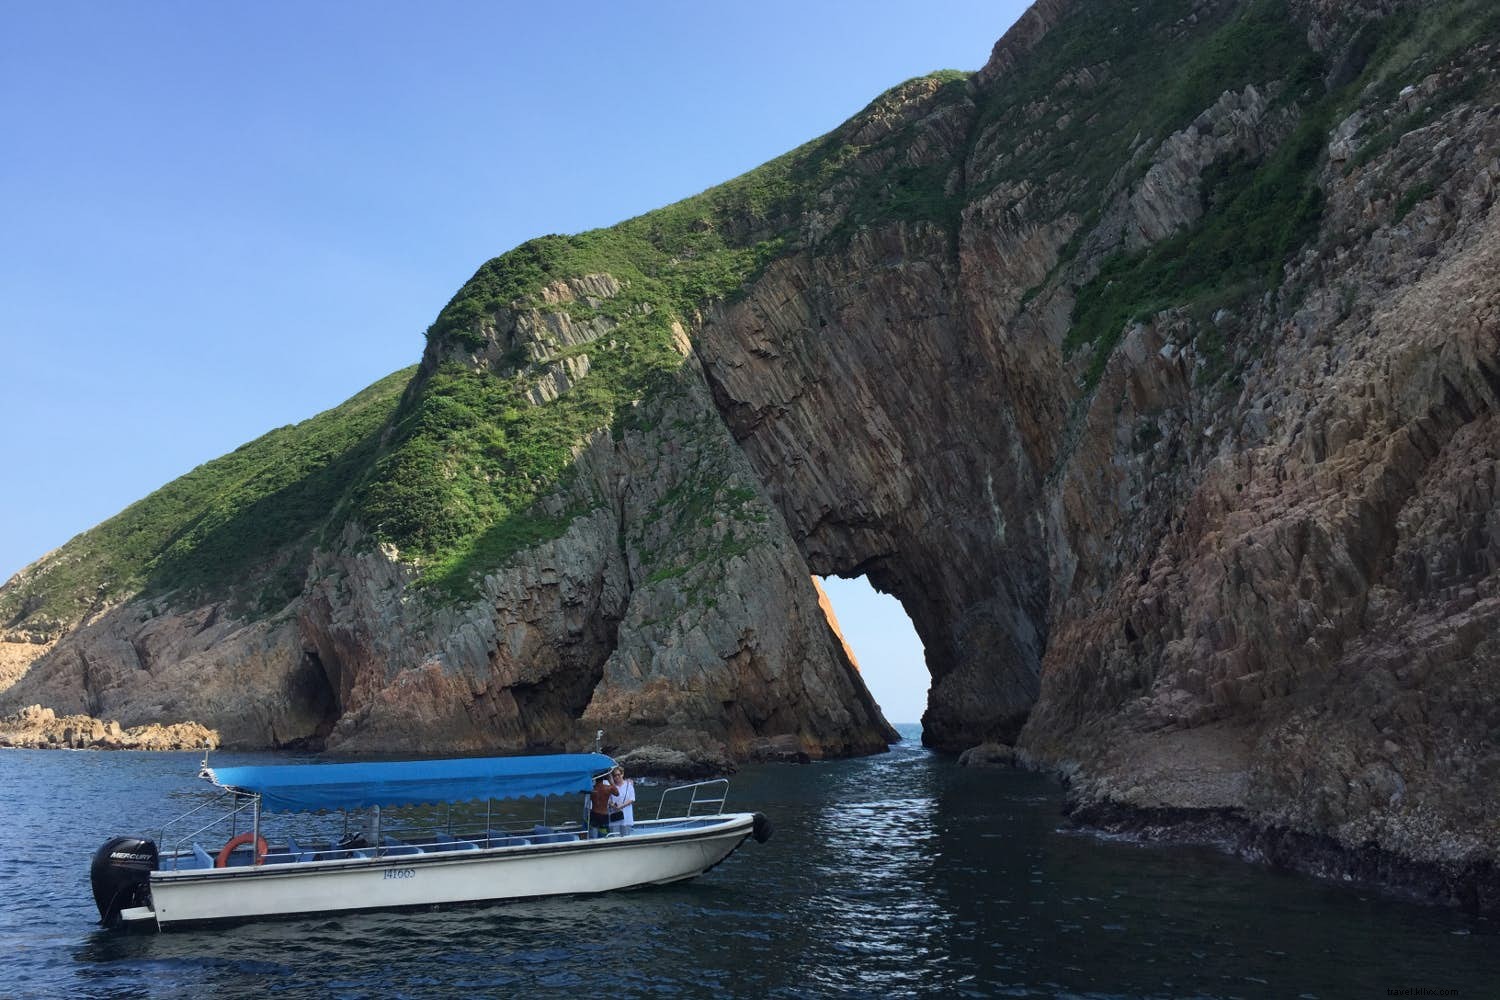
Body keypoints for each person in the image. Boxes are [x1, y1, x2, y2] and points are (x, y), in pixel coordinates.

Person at [608, 765, 635, 837]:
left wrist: (621, 806)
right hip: (614, 815)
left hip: (626, 816)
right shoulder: (611, 787)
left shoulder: (629, 785)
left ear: (622, 774)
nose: (616, 777)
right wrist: (612, 805)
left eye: (618, 775)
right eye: (614, 775)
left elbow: (632, 799)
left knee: (626, 837)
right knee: (614, 837)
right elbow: (609, 800)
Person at [588, 771, 614, 839]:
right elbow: (617, 793)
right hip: (603, 814)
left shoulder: (591, 789)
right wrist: (611, 781)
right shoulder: (608, 788)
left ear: (595, 779)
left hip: (594, 813)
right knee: (605, 836)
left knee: (593, 836)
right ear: (603, 779)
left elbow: (589, 798)